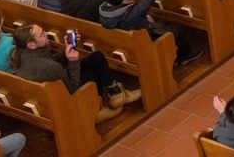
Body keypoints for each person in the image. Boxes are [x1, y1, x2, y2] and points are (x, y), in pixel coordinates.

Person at [10, 24, 141, 122]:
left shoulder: (21, 56)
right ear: (31, 44)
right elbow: (74, 87)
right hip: (66, 99)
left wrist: (68, 47)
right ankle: (97, 110)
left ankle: (116, 94)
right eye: (42, 35)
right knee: (93, 72)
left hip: (50, 93)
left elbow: (53, 61)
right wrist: (73, 62)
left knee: (96, 57)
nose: (46, 34)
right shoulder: (48, 67)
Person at [99, 0, 201, 65]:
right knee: (179, 29)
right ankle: (184, 56)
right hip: (145, 38)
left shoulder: (104, 7)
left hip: (126, 38)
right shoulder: (131, 14)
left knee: (160, 21)